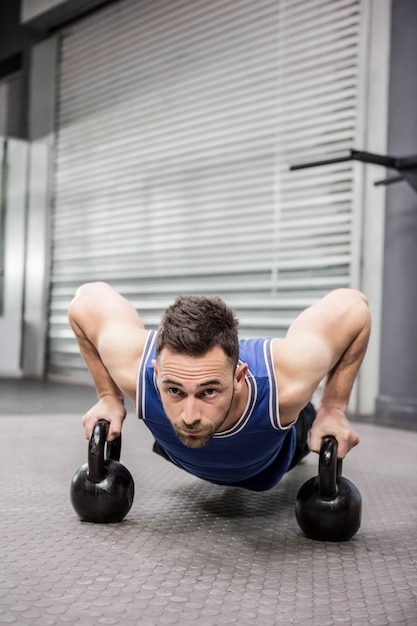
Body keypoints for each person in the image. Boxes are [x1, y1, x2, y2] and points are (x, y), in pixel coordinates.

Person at [68, 282, 371, 491]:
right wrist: (109, 396)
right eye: (174, 390)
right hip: (182, 449)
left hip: (274, 455)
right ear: (157, 372)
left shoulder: (287, 380)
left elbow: (355, 306)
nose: (189, 415)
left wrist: (333, 408)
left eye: (208, 391)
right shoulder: (135, 368)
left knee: (306, 411)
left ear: (239, 378)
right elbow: (85, 299)